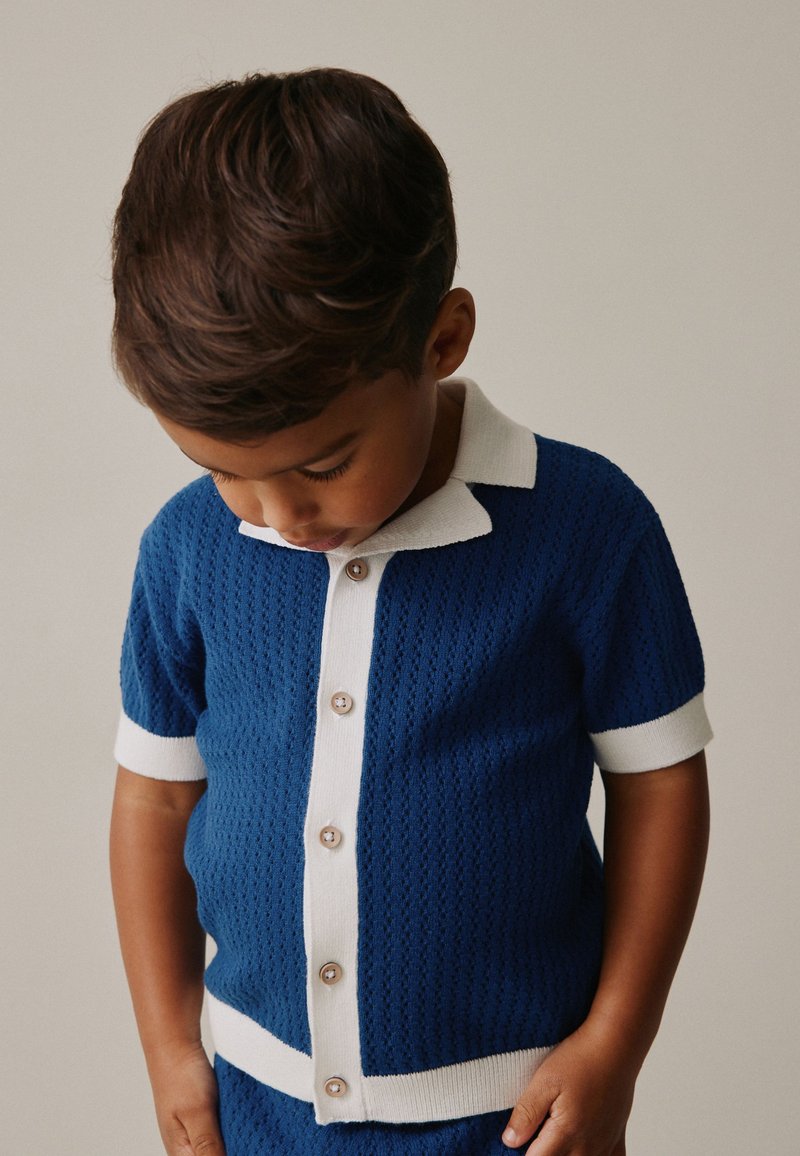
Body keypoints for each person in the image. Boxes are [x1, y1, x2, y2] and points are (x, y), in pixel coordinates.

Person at [109, 68, 712, 1156]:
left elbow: (661, 781)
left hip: (518, 1117)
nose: (278, 516)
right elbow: (154, 797)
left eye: (322, 465)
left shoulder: (587, 528)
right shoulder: (188, 549)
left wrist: (614, 1043)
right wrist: (166, 1048)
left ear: (441, 341)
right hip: (258, 1108)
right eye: (224, 471)